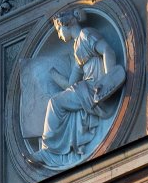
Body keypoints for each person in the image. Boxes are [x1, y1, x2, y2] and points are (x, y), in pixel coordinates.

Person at [33, 11, 126, 169]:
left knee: (54, 103)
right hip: (87, 89)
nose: (59, 36)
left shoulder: (86, 34)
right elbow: (71, 84)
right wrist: (53, 75)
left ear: (67, 25)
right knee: (60, 103)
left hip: (95, 87)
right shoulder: (77, 47)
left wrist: (107, 81)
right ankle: (65, 151)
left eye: (59, 31)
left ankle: (49, 150)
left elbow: (107, 51)